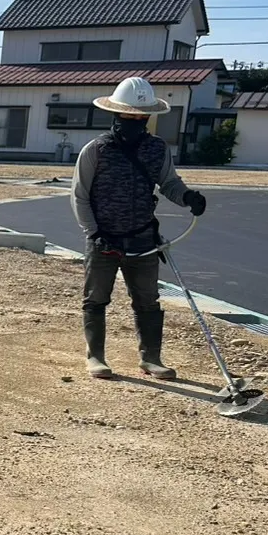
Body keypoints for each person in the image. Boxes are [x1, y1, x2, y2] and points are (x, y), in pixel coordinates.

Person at [72, 76, 207, 380]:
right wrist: (94, 233)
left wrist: (188, 197)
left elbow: (169, 182)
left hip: (144, 238)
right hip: (103, 240)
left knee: (147, 301)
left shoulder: (157, 149)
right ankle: (96, 357)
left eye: (141, 117)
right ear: (115, 114)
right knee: (96, 299)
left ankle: (151, 359)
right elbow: (80, 196)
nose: (134, 121)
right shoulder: (96, 150)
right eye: (128, 116)